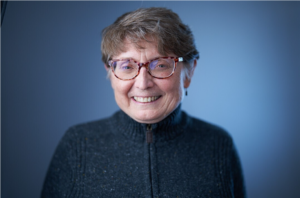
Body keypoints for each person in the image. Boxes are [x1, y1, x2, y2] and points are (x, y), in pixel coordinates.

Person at [41, 7, 246, 198]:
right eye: (127, 66)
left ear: (189, 71)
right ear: (110, 74)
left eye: (160, 65)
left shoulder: (218, 145)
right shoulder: (77, 145)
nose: (143, 83)